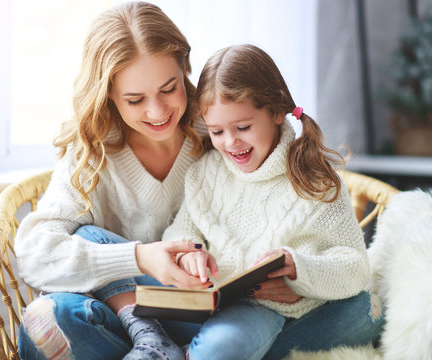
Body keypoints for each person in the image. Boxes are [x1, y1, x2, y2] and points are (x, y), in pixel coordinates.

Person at [161, 44, 385, 360]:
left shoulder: (316, 182)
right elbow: (181, 233)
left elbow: (355, 266)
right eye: (217, 131)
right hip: (205, 302)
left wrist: (299, 269)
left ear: (277, 111)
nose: (230, 142)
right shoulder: (205, 173)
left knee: (364, 310)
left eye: (243, 127)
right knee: (114, 282)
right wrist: (189, 256)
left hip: (261, 310)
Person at [14, 2, 211, 359]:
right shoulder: (95, 150)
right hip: (121, 321)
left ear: (184, 68)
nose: (157, 111)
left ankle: (170, 350)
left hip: (202, 314)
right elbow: (33, 254)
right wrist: (139, 258)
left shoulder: (219, 131)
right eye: (135, 100)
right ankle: (159, 347)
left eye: (169, 88)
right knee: (51, 316)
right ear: (109, 96)